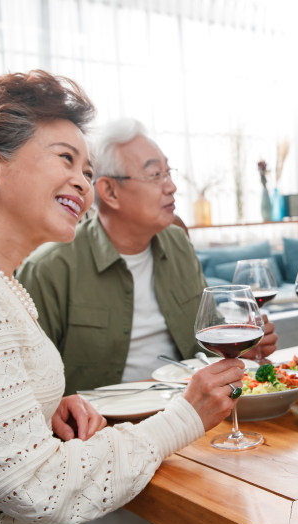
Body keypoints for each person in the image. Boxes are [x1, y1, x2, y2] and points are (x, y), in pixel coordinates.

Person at [0, 71, 244, 524]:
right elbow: (38, 489)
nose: (82, 183)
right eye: (65, 159)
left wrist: (40, 411)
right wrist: (184, 418)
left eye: (87, 170)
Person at [16, 118, 277, 395]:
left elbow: (208, 334)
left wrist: (242, 350)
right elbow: (29, 386)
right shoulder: (49, 268)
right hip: (102, 427)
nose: (172, 186)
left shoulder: (178, 244)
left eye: (169, 172)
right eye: (155, 175)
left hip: (190, 409)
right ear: (110, 192)